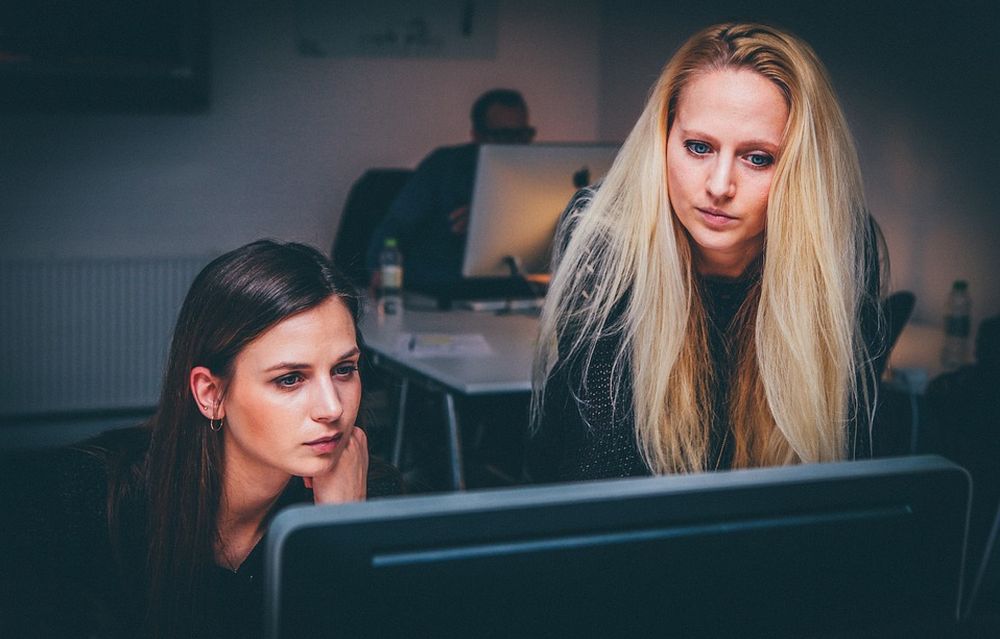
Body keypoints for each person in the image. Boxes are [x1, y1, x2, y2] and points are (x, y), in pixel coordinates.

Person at [527, 22, 886, 483]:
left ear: (802, 169)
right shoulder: (607, 237)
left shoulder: (843, 247)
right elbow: (602, 469)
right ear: (663, 140)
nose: (719, 186)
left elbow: (838, 472)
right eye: (698, 147)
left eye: (758, 158)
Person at [2, 240, 402, 638]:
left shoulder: (363, 499)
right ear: (211, 395)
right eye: (290, 379)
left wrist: (339, 533)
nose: (332, 408)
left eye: (344, 369)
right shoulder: (79, 504)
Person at [365, 88, 536, 292]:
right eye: (504, 135)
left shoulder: (534, 176)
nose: (516, 145)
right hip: (441, 288)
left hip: (511, 289)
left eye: (523, 135)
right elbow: (396, 225)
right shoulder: (444, 166)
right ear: (477, 136)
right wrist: (381, 270)